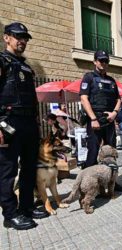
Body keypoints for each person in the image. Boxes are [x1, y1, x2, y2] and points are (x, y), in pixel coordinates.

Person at [0, 22, 49, 230]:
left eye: (25, 38)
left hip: (29, 123)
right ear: (6, 38)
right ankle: (10, 215)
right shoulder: (2, 61)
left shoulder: (26, 66)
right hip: (9, 122)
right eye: (18, 36)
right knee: (7, 171)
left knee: (29, 168)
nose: (22, 41)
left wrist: (37, 122)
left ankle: (26, 208)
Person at [79, 50, 121, 168]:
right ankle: (88, 182)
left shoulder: (112, 81)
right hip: (95, 119)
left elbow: (118, 99)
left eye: (106, 60)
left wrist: (114, 113)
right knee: (93, 151)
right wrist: (93, 119)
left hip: (109, 120)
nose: (103, 63)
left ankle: (111, 181)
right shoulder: (89, 77)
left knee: (111, 152)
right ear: (95, 62)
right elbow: (84, 99)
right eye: (101, 60)